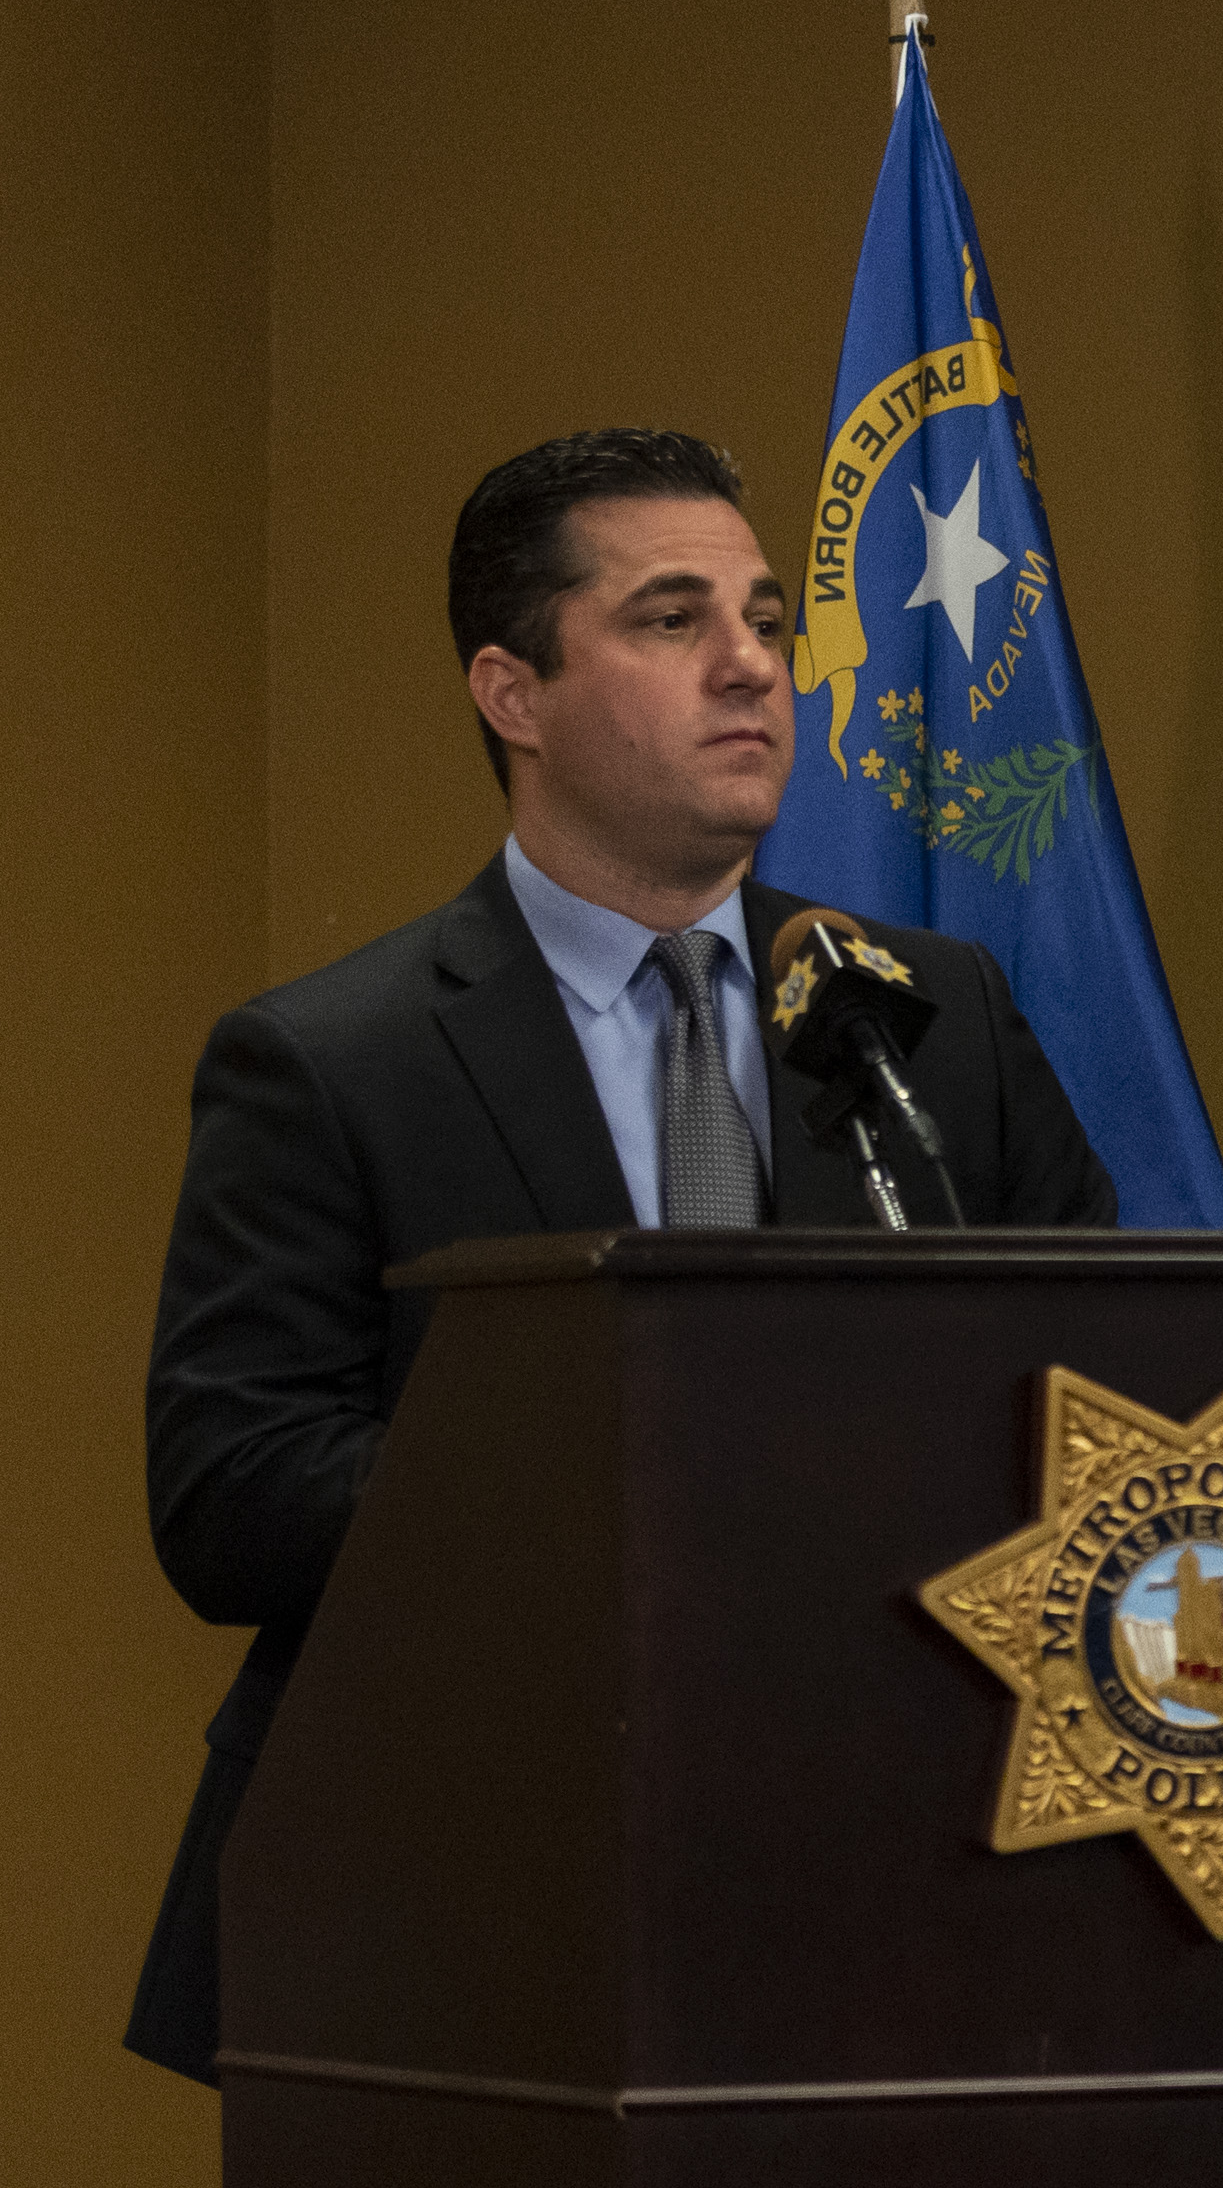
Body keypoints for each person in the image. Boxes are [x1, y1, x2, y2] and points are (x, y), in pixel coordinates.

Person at [128, 428, 1118, 2080]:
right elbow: (232, 1492)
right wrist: (655, 1486)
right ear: (512, 692)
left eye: (766, 620)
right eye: (672, 619)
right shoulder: (334, 1063)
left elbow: (1105, 1385)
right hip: (460, 1908)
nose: (753, 665)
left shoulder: (929, 1017)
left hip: (904, 1884)